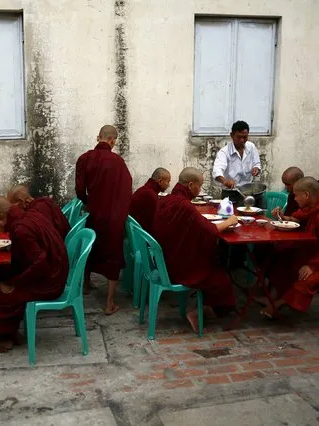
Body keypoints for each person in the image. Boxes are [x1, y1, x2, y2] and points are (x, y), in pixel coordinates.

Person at [0, 196, 68, 351]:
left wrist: (14, 284)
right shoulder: (27, 214)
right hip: (54, 270)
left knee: (0, 296)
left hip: (50, 281)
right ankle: (8, 332)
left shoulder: (20, 229)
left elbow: (41, 264)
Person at [152, 167, 238, 332]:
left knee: (214, 260)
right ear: (191, 185)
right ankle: (200, 313)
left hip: (164, 258)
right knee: (221, 278)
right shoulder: (185, 206)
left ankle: (203, 308)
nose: (199, 190)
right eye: (200, 186)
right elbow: (210, 231)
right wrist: (229, 221)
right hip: (175, 267)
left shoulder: (168, 199)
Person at [261, 177, 319, 318]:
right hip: (318, 250)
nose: (294, 199)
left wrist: (313, 266)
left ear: (306, 195)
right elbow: (298, 217)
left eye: (296, 196)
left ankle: (279, 304)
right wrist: (283, 217)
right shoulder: (314, 204)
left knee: (308, 277)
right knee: (285, 259)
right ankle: (276, 297)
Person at [75, 124, 132, 315]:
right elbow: (126, 190)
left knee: (90, 247)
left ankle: (86, 284)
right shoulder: (118, 162)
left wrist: (90, 203)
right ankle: (109, 303)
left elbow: (79, 190)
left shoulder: (84, 159)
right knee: (112, 254)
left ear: (98, 137)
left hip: (94, 212)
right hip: (113, 216)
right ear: (113, 140)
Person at [212, 121, 261, 190]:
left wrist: (256, 169)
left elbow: (257, 164)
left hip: (247, 190)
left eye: (245, 137)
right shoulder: (224, 152)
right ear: (232, 135)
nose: (242, 140)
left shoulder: (251, 147)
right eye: (239, 137)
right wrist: (225, 181)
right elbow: (217, 171)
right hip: (230, 192)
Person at [130, 168, 171, 232]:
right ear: (160, 181)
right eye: (168, 181)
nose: (169, 185)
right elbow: (152, 224)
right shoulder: (151, 195)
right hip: (139, 235)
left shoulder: (143, 190)